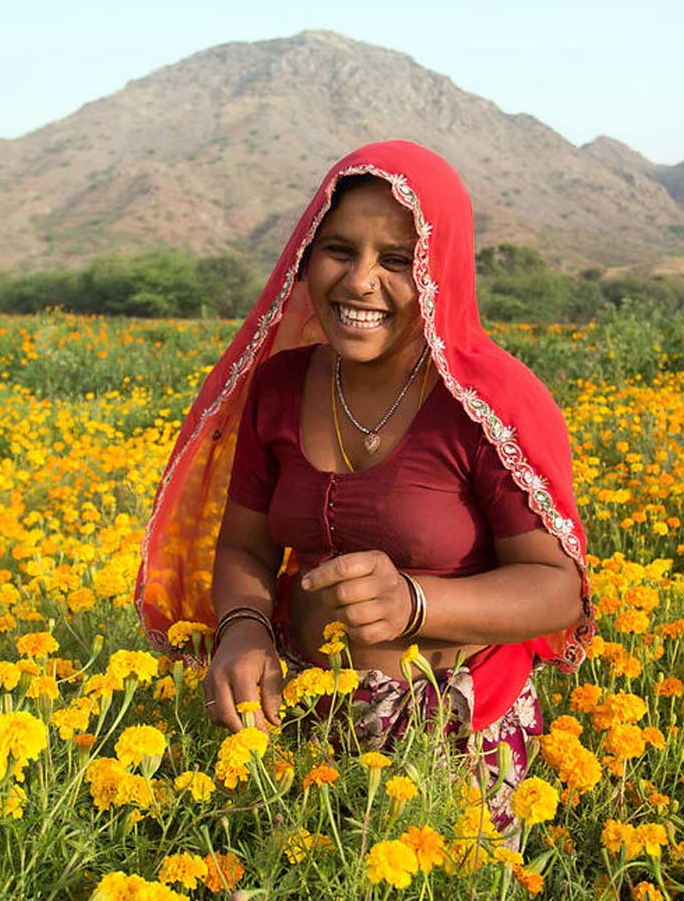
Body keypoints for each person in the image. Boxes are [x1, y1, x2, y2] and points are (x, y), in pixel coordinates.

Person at [135, 140, 593, 817]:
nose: (359, 282)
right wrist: (245, 629)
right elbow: (245, 548)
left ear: (440, 270)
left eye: (398, 260)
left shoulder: (493, 402)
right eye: (340, 250)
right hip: (292, 725)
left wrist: (416, 604)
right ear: (305, 257)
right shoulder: (280, 386)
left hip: (452, 740)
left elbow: (558, 590)